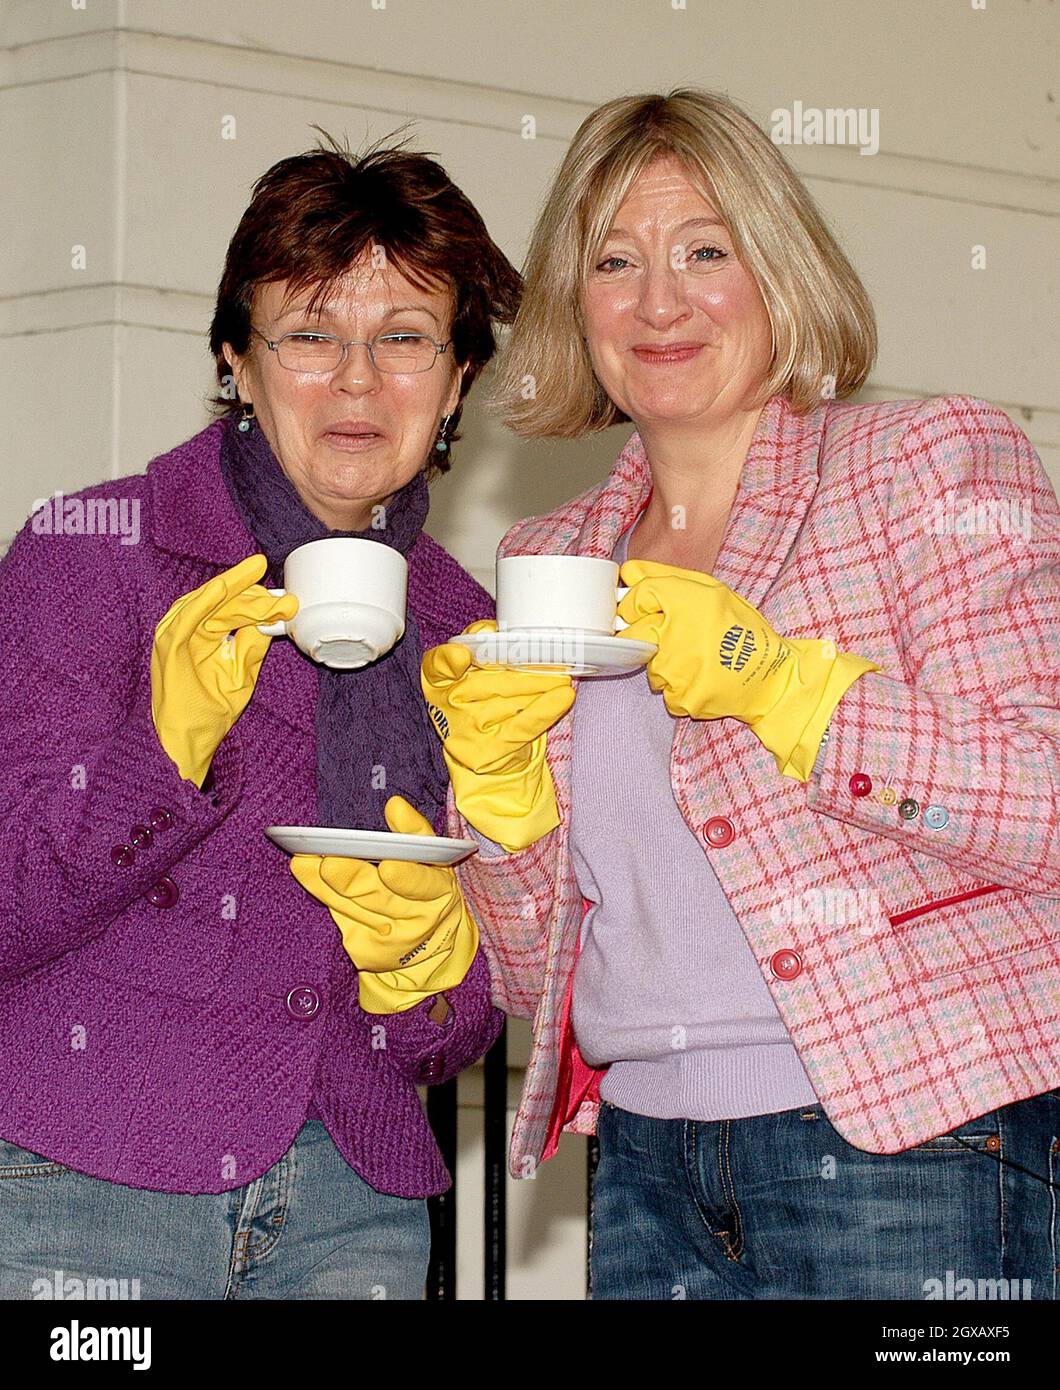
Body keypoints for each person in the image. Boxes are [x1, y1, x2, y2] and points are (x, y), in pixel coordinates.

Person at [422, 89, 1060, 1300]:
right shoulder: (551, 558)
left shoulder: (923, 464)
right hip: (647, 1170)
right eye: (614, 262)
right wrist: (496, 807)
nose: (659, 302)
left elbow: (1045, 797)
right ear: (576, 309)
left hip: (913, 1139)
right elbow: (523, 971)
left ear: (780, 268)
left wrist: (794, 691)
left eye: (703, 251)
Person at [0, 133, 517, 1300]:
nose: (355, 380)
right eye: (309, 335)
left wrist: (423, 965)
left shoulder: (469, 628)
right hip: (86, 1180)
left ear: (458, 380)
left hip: (354, 1206)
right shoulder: (97, 554)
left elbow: (449, 1037)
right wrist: (162, 752)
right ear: (238, 359)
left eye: (404, 339)